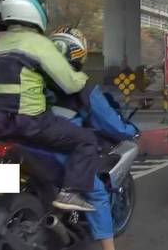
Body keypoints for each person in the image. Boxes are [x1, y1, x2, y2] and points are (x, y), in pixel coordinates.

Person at [0, 0, 98, 212]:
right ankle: (71, 193)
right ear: (36, 12)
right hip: (27, 121)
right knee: (86, 141)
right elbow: (70, 83)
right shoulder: (38, 43)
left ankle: (1, 184)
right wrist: (83, 77)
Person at [50, 27, 138, 250]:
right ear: (79, 55)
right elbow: (110, 123)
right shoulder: (82, 87)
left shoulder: (35, 81)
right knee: (97, 192)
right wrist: (130, 130)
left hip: (21, 138)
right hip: (58, 146)